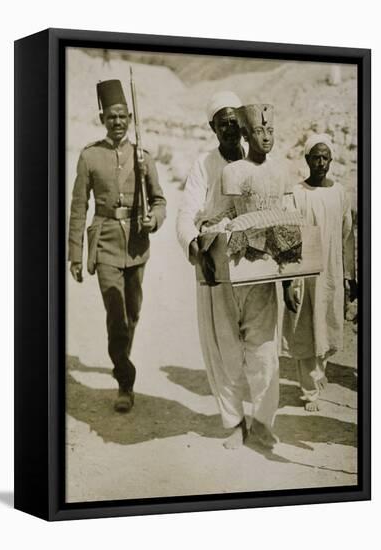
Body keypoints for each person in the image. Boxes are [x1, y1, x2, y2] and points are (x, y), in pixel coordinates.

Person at [68, 79, 166, 413]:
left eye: (123, 116)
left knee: (132, 313)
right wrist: (75, 255)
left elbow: (159, 200)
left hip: (137, 245)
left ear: (130, 118)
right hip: (106, 242)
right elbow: (78, 208)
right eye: (111, 117)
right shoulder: (89, 156)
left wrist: (155, 219)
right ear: (102, 119)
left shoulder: (143, 157)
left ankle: (121, 359)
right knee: (116, 315)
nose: (118, 122)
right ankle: (125, 381)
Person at [177, 91, 253, 450]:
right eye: (222, 123)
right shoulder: (203, 165)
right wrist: (193, 242)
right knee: (223, 345)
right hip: (216, 265)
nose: (230, 128)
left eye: (234, 121)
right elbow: (187, 210)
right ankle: (236, 421)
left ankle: (262, 415)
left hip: (257, 265)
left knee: (260, 345)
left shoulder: (258, 157)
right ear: (212, 127)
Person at [219, 104, 286, 449]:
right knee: (232, 348)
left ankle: (262, 424)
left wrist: (291, 277)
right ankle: (235, 423)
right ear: (246, 135)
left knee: (264, 351)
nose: (266, 137)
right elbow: (225, 217)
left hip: (266, 274)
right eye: (259, 131)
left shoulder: (281, 172)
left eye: (271, 130)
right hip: (237, 271)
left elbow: (290, 222)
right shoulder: (233, 173)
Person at [282, 134, 357, 411]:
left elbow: (347, 234)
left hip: (331, 272)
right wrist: (288, 283)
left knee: (326, 325)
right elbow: (287, 237)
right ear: (307, 160)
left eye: (325, 157)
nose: (321, 162)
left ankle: (318, 375)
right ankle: (310, 390)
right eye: (316, 156)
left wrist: (350, 275)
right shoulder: (297, 194)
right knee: (304, 326)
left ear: (331, 159)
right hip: (304, 271)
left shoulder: (339, 192)